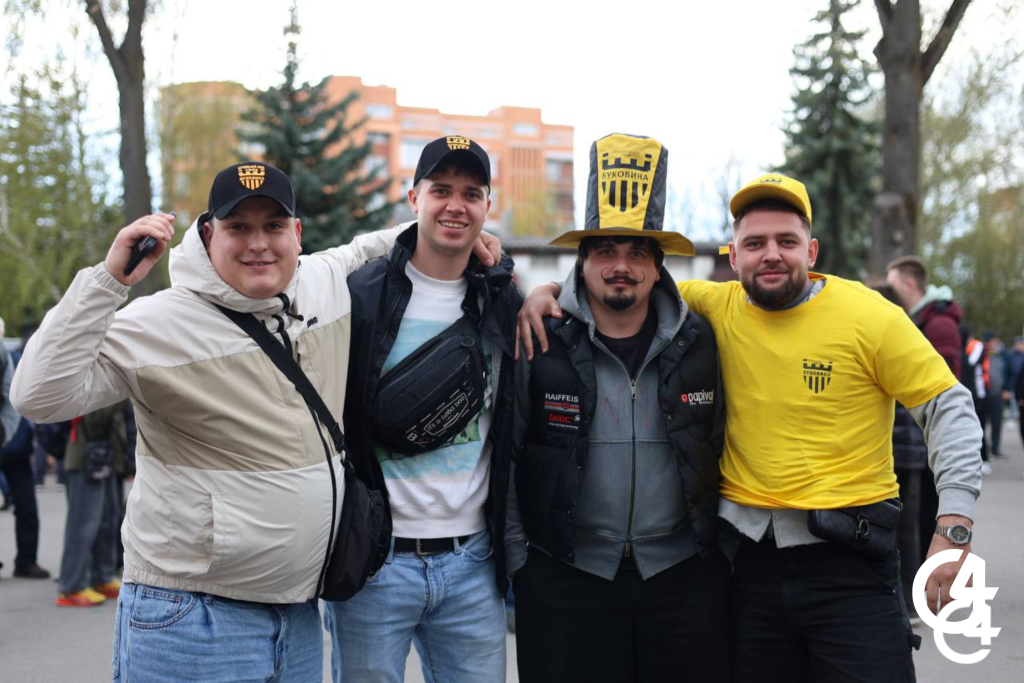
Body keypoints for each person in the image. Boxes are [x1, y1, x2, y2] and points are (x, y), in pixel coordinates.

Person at [11, 161, 500, 682]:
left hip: (296, 621)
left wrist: (465, 235)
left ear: (297, 234)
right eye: (238, 227)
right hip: (192, 623)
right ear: (208, 235)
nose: (259, 244)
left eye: (273, 225)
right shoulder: (157, 322)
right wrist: (108, 281)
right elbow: (37, 395)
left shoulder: (321, 283)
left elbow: (367, 246)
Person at [520, 172, 983, 682]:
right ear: (734, 256)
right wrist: (547, 293)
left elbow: (949, 407)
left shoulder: (869, 315)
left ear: (811, 251)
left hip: (852, 563)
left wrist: (953, 529)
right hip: (749, 570)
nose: (771, 255)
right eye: (755, 243)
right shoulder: (713, 306)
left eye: (787, 241)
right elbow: (621, 284)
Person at [509, 133, 728, 683]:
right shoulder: (539, 337)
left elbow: (724, 441)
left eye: (637, 253)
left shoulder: (702, 340)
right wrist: (520, 563)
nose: (621, 266)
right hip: (565, 577)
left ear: (658, 265)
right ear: (582, 262)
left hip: (682, 580)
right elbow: (507, 449)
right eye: (605, 251)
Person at [324, 136, 521, 682]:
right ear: (414, 199)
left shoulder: (501, 298)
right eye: (441, 190)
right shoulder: (360, 294)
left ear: (487, 206)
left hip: (473, 563)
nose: (456, 206)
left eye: (471, 193)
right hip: (375, 562)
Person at [55, 402, 131, 606]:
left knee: (108, 520)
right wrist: (122, 395)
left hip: (105, 456)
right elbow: (94, 419)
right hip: (84, 456)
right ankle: (72, 586)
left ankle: (102, 578)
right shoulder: (90, 385)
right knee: (83, 524)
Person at [1, 339, 51, 580]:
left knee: (27, 508)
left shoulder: (16, 358)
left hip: (17, 446)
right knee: (25, 508)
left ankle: (26, 561)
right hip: (11, 438)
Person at [960, 325, 991, 473]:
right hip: (966, 393)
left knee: (979, 428)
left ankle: (984, 459)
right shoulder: (960, 351)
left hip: (979, 395)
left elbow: (970, 364)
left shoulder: (977, 346)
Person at [983, 332, 1006, 456]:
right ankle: (983, 451)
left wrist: (1006, 389)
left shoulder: (1002, 355)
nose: (992, 344)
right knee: (982, 423)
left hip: (997, 394)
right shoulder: (980, 354)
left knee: (996, 423)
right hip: (983, 395)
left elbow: (1007, 372)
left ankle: (995, 449)